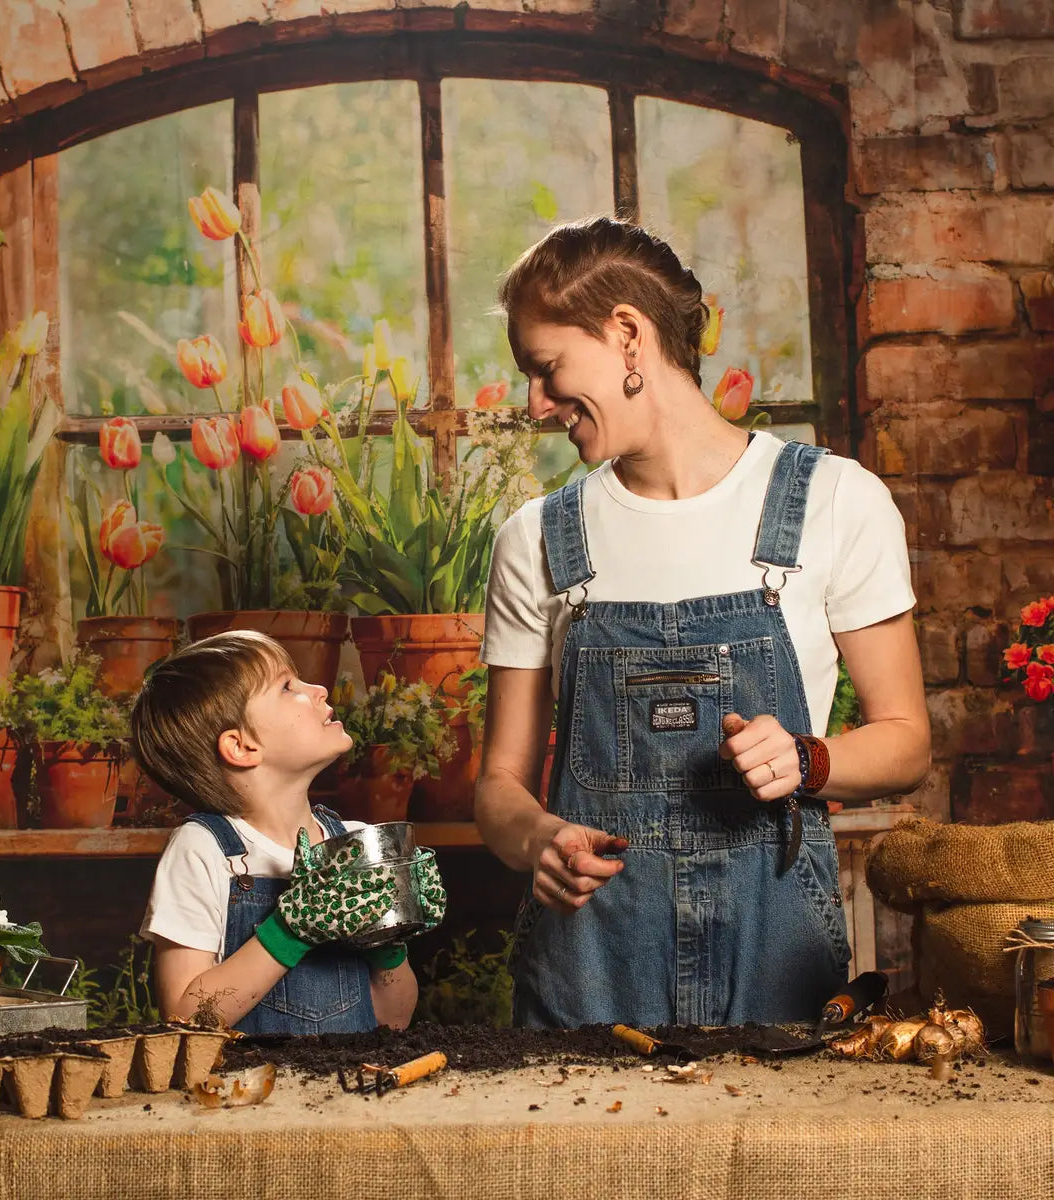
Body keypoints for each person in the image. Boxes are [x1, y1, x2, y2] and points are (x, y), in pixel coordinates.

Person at [475, 216, 930, 1030]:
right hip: (592, 960)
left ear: (626, 336)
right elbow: (498, 788)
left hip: (777, 948)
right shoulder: (536, 541)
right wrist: (535, 838)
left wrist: (806, 757)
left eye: (546, 369)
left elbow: (905, 742)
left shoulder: (834, 501)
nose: (536, 403)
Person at [132, 630, 445, 1034]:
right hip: (249, 1092)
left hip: (353, 1088)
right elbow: (183, 1018)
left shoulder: (351, 843)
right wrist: (289, 931)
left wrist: (387, 943)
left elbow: (394, 1019)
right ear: (242, 747)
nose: (317, 689)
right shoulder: (205, 850)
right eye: (287, 686)